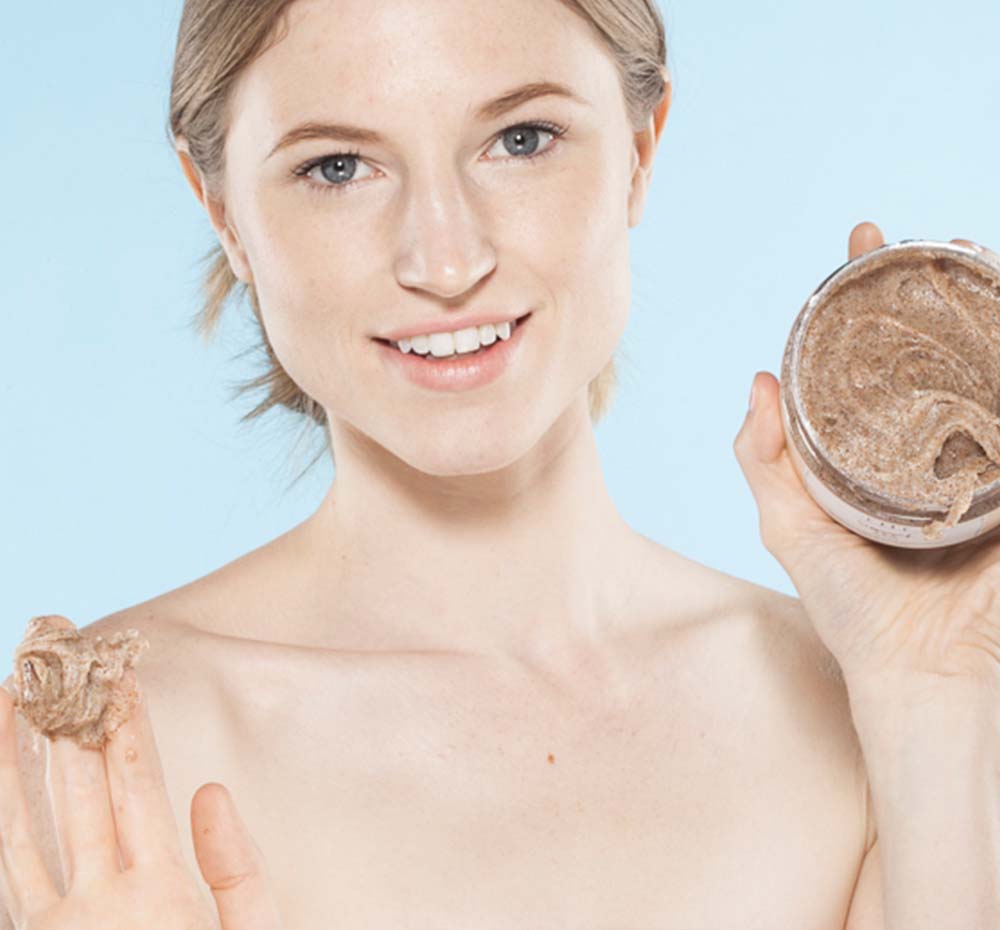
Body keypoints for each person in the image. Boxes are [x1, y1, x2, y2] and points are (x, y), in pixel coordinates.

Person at [4, 0, 999, 927]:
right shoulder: (87, 763)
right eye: (339, 167)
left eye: (521, 140)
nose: (444, 260)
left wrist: (934, 692)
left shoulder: (876, 707)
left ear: (640, 151)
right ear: (221, 210)